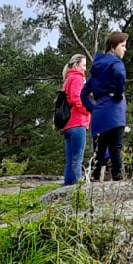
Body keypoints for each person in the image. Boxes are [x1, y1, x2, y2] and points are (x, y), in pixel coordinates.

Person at [84, 32, 128, 181]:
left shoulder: (97, 69)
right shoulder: (115, 63)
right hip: (115, 111)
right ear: (113, 47)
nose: (124, 49)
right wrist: (117, 94)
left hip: (100, 113)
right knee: (115, 148)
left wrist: (93, 109)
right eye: (122, 46)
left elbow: (83, 94)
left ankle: (94, 180)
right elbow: (120, 76)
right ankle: (118, 182)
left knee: (100, 150)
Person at [61, 53, 90, 185]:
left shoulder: (67, 79)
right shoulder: (77, 78)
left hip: (67, 125)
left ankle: (67, 188)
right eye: (83, 65)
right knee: (77, 159)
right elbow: (76, 99)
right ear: (77, 64)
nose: (85, 69)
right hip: (77, 123)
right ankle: (78, 191)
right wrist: (87, 110)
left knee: (70, 160)